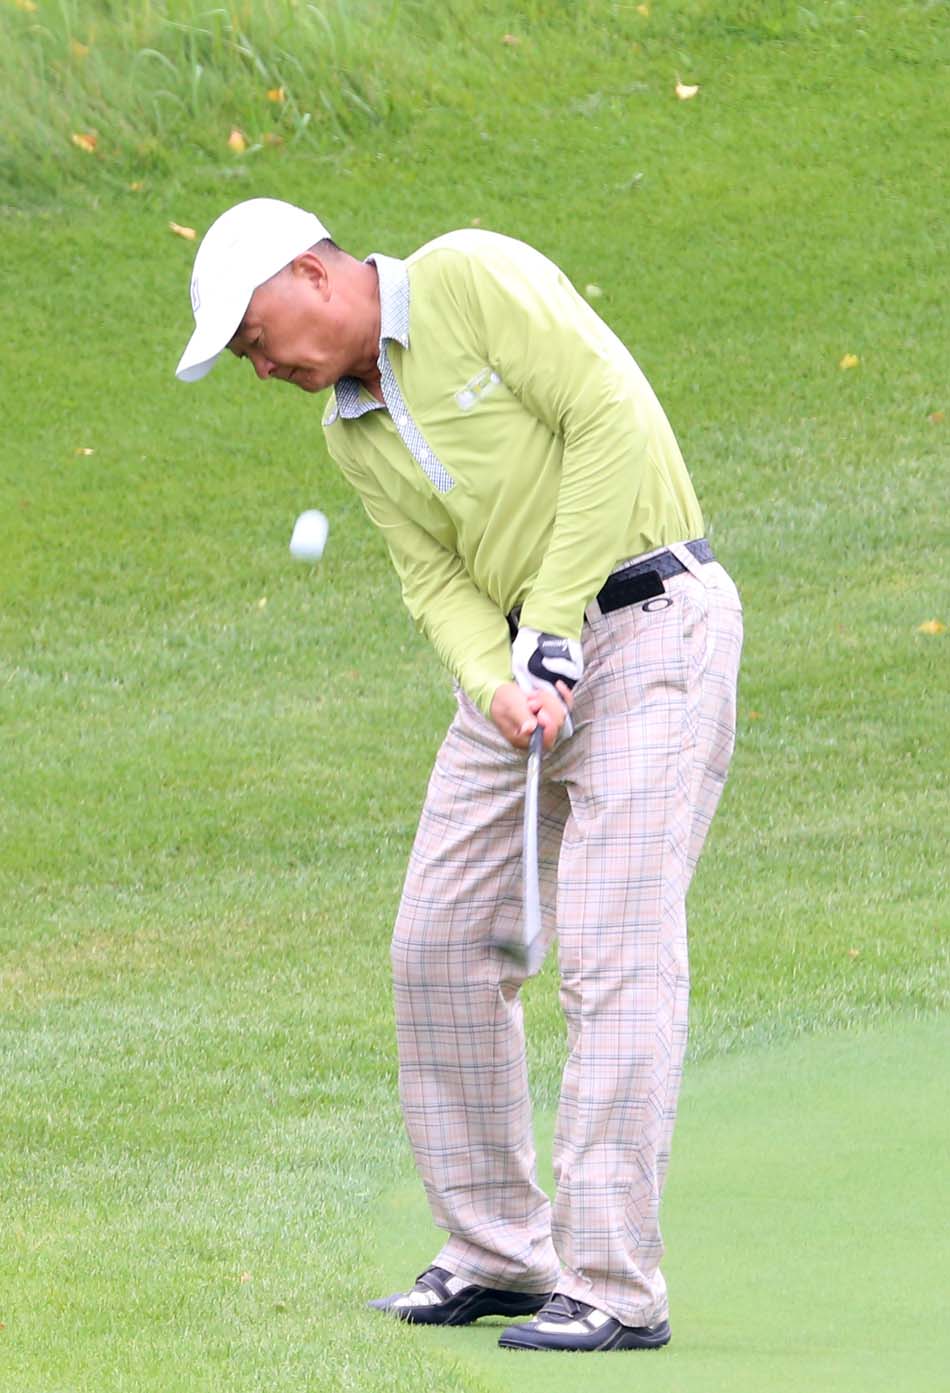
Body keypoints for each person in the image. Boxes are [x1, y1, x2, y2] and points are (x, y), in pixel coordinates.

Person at [176, 197, 743, 1353]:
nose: (259, 366)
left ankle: (612, 1284)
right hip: (522, 670)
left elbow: (605, 415)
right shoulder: (349, 430)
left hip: (650, 625)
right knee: (436, 944)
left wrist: (552, 624)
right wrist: (493, 682)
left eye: (254, 337)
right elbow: (431, 578)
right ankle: (496, 1250)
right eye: (241, 356)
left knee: (611, 953)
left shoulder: (468, 276)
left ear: (312, 275)